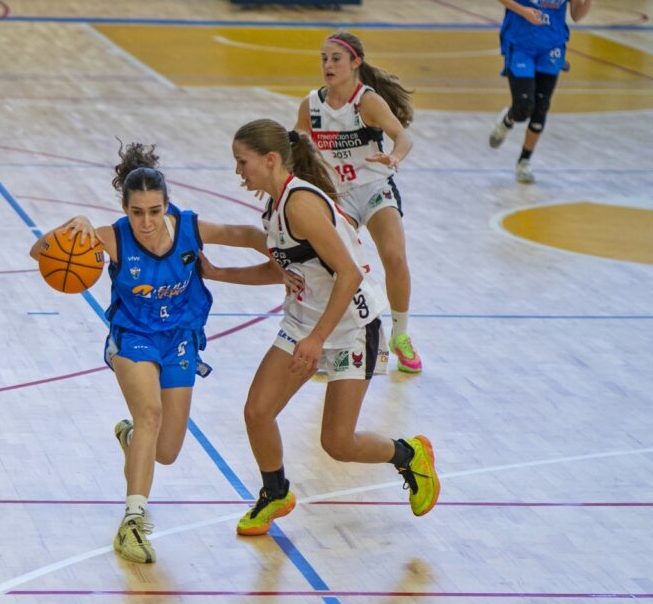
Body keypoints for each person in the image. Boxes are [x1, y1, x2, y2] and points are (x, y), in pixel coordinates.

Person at [30, 143, 275, 564]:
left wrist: (287, 257)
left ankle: (130, 439)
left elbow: (247, 235)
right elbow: (39, 252)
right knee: (150, 414)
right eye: (136, 211)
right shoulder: (111, 237)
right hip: (133, 336)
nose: (146, 221)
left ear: (167, 205)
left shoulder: (190, 229)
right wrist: (74, 226)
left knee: (167, 451)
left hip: (179, 335)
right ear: (124, 208)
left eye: (154, 210)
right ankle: (132, 523)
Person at [205, 119, 440, 537]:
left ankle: (409, 454)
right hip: (303, 322)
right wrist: (219, 273)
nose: (238, 172)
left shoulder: (300, 204)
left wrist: (317, 339)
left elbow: (348, 275)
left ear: (270, 159)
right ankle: (275, 492)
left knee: (337, 443)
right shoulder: (275, 205)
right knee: (258, 411)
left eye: (242, 163)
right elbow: (284, 271)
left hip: (351, 326)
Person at [295, 31, 422, 375]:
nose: (328, 65)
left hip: (373, 187)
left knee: (394, 256)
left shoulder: (367, 101)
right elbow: (296, 147)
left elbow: (403, 136)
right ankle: (331, 341)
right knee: (334, 266)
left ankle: (400, 335)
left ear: (355, 63)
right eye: (324, 58)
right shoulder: (311, 105)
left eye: (336, 58)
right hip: (337, 197)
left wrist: (394, 156)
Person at [489, 0, 593, 183]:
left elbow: (576, 15)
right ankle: (508, 119)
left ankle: (524, 161)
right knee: (523, 107)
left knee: (541, 106)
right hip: (520, 43)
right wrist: (523, 11)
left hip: (552, 46)